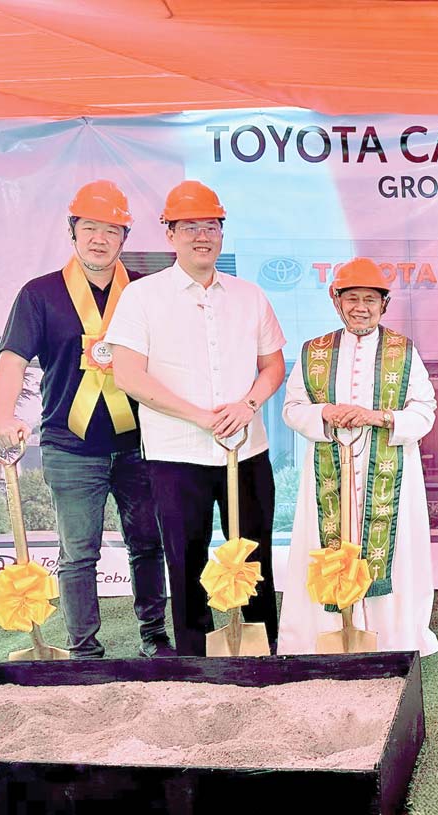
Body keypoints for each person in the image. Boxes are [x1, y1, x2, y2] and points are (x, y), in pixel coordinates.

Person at [0, 181, 171, 659]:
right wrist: (1, 415)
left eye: (112, 230)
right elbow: (12, 359)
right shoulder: (40, 294)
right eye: (90, 227)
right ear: (73, 232)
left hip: (141, 444)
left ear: (124, 238)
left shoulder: (147, 293)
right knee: (78, 553)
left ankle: (155, 637)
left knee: (148, 544)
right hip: (70, 446)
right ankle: (85, 651)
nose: (100, 238)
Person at [106, 180, 286, 656]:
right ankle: (193, 655)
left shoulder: (250, 296)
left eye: (210, 226)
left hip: (246, 450)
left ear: (222, 232)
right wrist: (200, 417)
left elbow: (273, 366)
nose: (201, 236)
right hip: (175, 453)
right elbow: (128, 375)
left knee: (254, 551)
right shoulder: (142, 297)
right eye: (189, 226)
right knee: (185, 557)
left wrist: (247, 406)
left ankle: (262, 648)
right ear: (169, 233)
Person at [279, 258, 438, 656]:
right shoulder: (313, 352)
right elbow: (293, 408)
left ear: (384, 304)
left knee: (392, 551)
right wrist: (325, 414)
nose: (361, 307)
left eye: (370, 299)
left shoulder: (404, 351)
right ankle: (323, 633)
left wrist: (378, 417)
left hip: (388, 474)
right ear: (336, 302)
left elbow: (425, 411)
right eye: (352, 298)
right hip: (328, 474)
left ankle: (393, 637)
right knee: (326, 542)